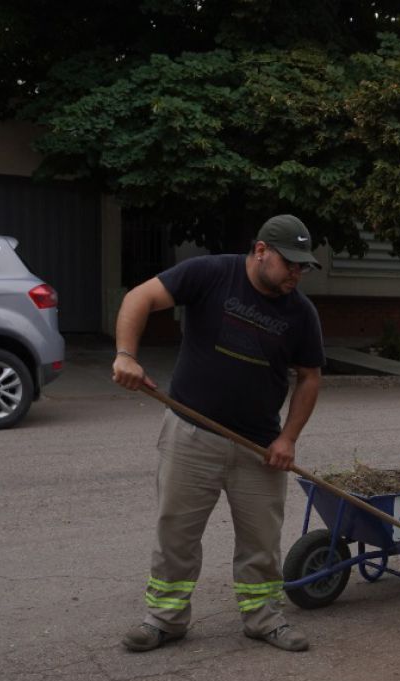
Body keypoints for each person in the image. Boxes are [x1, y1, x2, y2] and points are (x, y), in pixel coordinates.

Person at [110, 214, 326, 653]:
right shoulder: (209, 273)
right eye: (291, 263)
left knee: (261, 542)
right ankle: (165, 619)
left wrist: (287, 439)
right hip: (191, 433)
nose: (297, 274)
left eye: (304, 266)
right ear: (261, 250)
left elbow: (309, 377)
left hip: (259, 446)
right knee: (177, 533)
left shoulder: (301, 312)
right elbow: (140, 297)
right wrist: (126, 355)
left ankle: (263, 617)